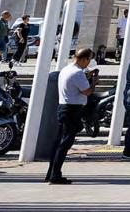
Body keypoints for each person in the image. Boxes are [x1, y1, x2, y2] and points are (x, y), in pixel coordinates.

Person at [45, 47, 96, 184]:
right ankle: (55, 175)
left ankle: (51, 173)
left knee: (59, 142)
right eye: (89, 60)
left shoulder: (66, 69)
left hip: (63, 107)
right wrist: (94, 82)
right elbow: (86, 92)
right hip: (72, 110)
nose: (89, 63)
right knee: (64, 144)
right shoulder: (78, 73)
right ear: (84, 59)